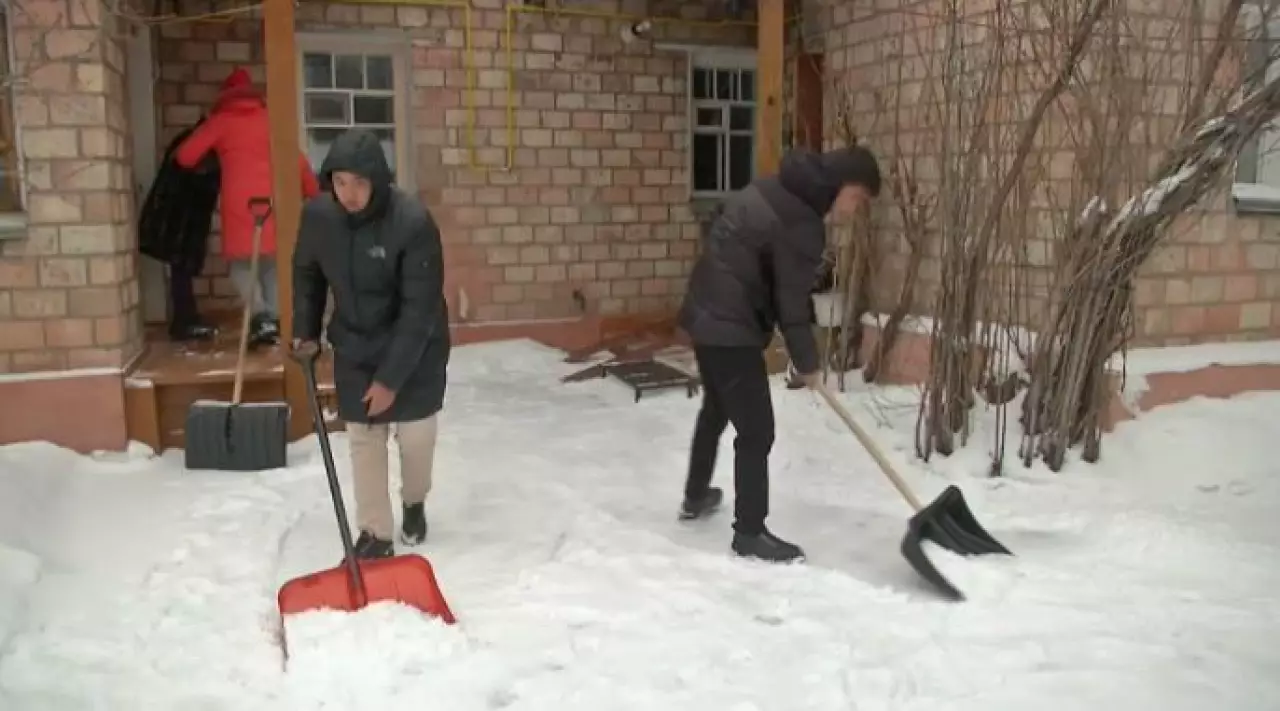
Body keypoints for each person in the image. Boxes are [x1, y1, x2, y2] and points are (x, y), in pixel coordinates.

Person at [676, 145, 882, 564]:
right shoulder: (802, 222)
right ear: (842, 185)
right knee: (757, 431)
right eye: (858, 199)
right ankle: (749, 533)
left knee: (717, 408)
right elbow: (792, 303)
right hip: (729, 326)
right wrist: (808, 363)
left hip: (704, 310)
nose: (854, 210)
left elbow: (721, 226)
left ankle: (695, 496)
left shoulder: (775, 187)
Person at [291, 128, 451, 560]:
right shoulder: (320, 218)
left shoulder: (412, 222)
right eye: (340, 182)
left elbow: (420, 311)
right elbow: (307, 273)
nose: (350, 193)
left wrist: (390, 380)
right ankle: (375, 534)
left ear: (379, 180)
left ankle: (414, 502)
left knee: (416, 440)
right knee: (364, 437)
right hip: (357, 343)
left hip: (415, 348)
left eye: (360, 183)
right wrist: (305, 331)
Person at [173, 67, 321, 347]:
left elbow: (185, 157)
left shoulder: (221, 121)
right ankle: (275, 319)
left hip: (240, 208)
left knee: (242, 265)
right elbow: (297, 161)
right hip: (272, 205)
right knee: (270, 263)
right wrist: (314, 193)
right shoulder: (271, 121)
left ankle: (260, 315)